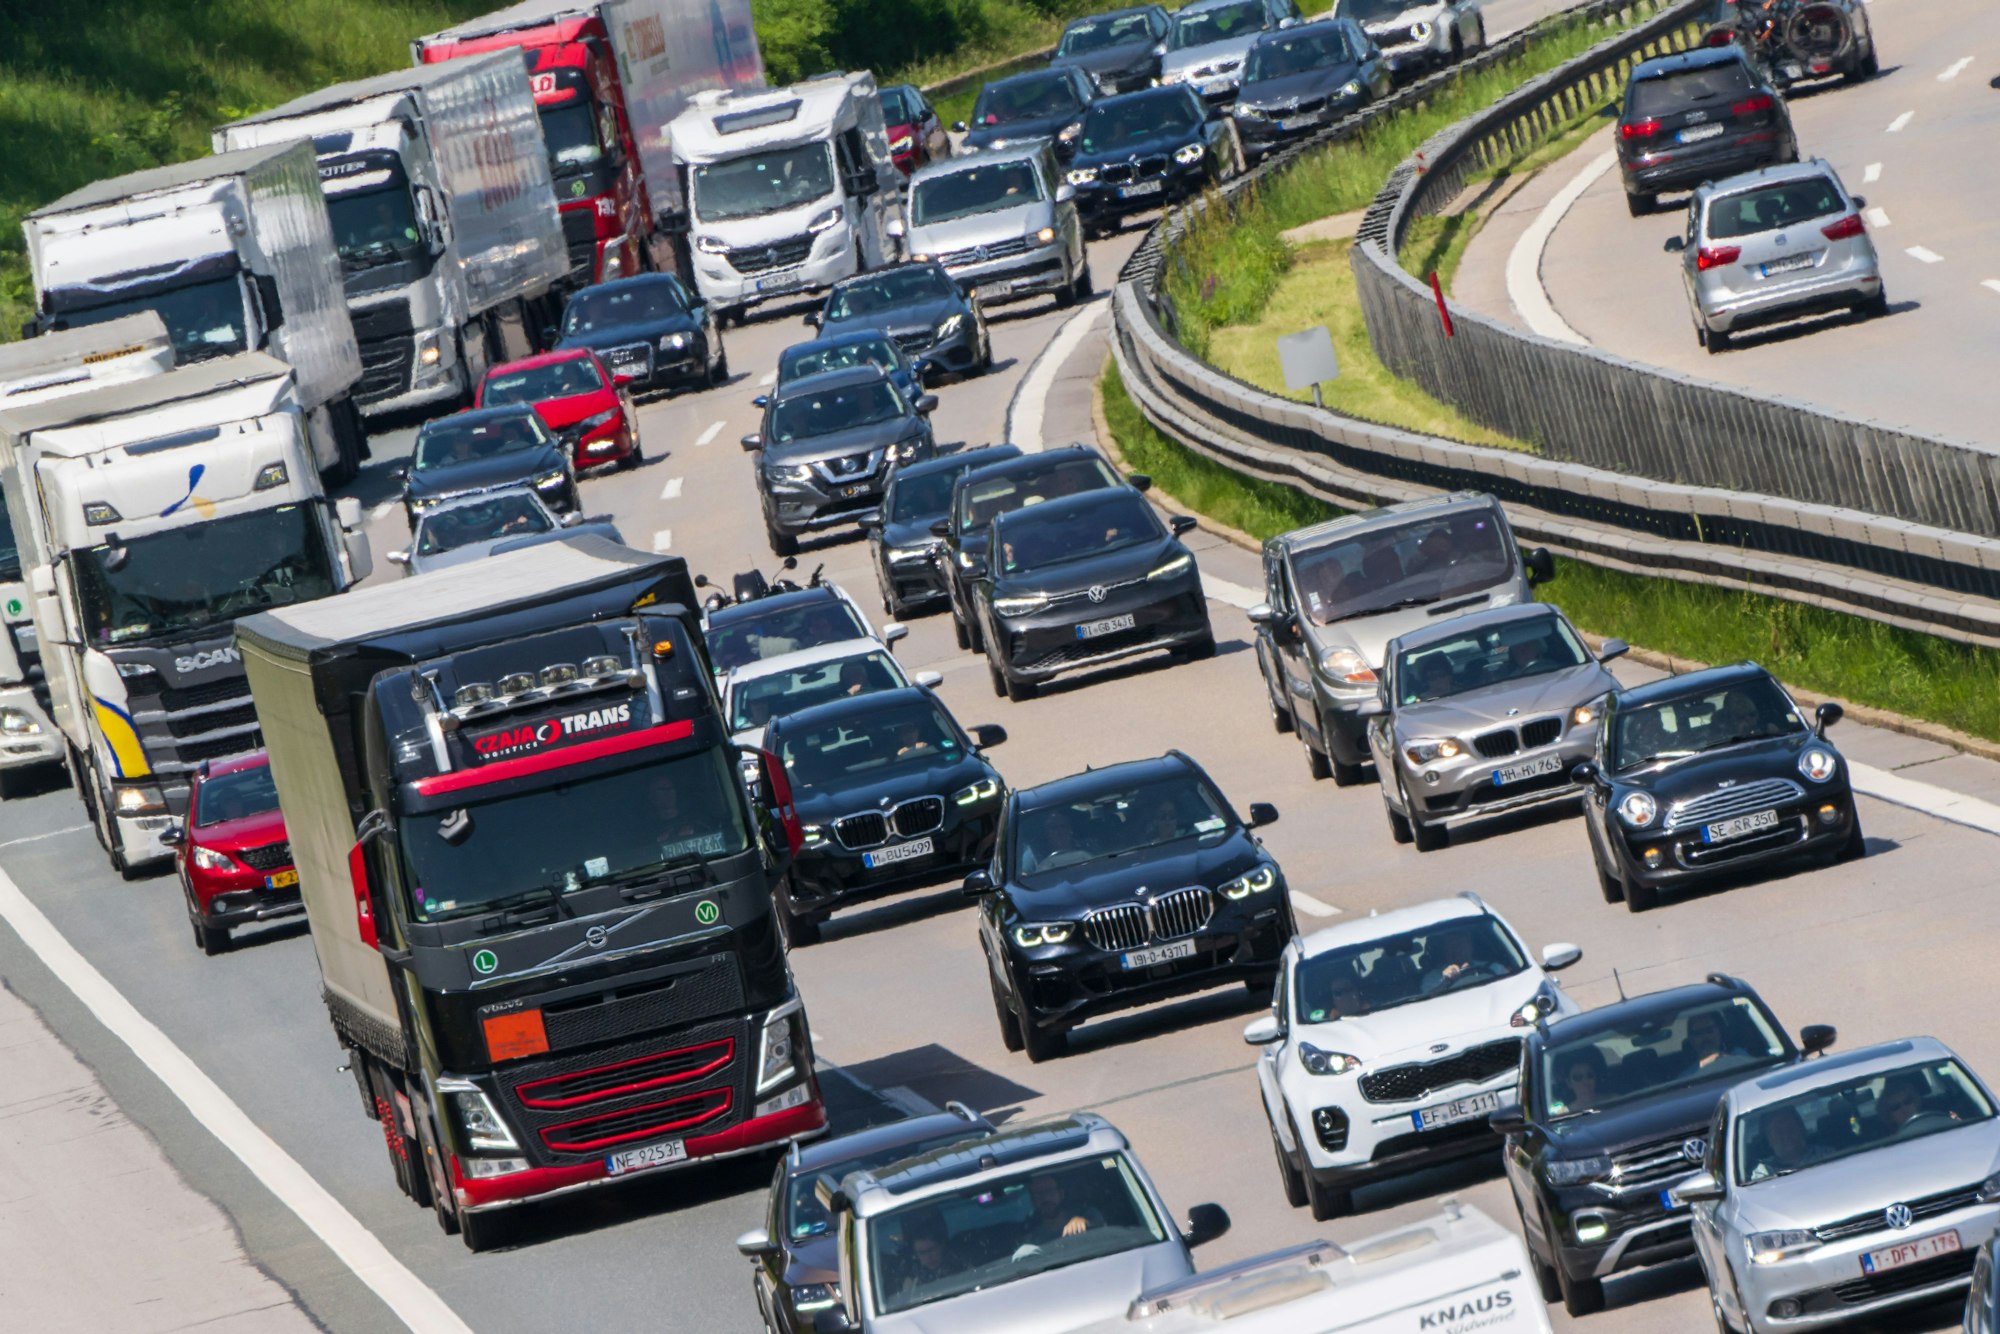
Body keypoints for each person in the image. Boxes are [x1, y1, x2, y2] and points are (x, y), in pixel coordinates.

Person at [1019, 1172, 1102, 1249]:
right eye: (1038, 1194)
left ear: (1061, 1193)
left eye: (1050, 1191)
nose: (1045, 1198)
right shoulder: (1031, 1240)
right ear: (1033, 1201)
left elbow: (1104, 1232)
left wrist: (1085, 1223)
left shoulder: (1087, 1214)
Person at [896, 1217, 963, 1297]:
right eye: (922, 1253)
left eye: (932, 1249)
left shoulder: (961, 1267)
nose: (929, 1256)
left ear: (942, 1246)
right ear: (916, 1255)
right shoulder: (912, 1280)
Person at [1419, 927, 1493, 994]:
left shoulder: (1493, 967)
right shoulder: (1432, 978)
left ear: (1471, 946)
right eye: (1451, 946)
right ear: (1445, 952)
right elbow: (1429, 1002)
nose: (1457, 951)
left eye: (1460, 945)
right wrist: (1445, 982)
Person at [1754, 1106, 1817, 1178]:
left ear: (1801, 1129)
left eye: (1790, 1128)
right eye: (1778, 1132)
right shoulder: (1763, 1171)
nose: (1786, 1135)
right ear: (1769, 1140)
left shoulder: (1826, 1155)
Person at [1554, 1048, 1608, 1114]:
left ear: (1595, 1078)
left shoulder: (1614, 1101)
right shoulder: (1563, 1115)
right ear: (1569, 1083)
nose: (1585, 1082)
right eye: (1577, 1078)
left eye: (1590, 1075)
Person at [1026, 809, 1080, 873]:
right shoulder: (1033, 855)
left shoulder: (1088, 846)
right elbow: (1025, 876)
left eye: (1063, 826)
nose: (1059, 832)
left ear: (1070, 829)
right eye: (1053, 828)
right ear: (1046, 832)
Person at [1873, 1073, 1927, 1137]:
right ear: (1889, 1117)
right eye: (1896, 1107)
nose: (1904, 1109)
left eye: (1907, 1102)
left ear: (1916, 1103)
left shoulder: (1937, 1125)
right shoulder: (1892, 1143)